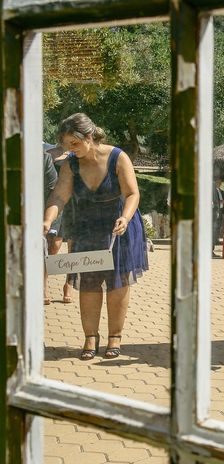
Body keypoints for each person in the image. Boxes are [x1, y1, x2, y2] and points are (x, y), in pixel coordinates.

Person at [43, 113, 148, 360]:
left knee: (118, 283)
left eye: (74, 144)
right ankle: (90, 336)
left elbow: (133, 193)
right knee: (88, 283)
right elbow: (59, 196)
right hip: (86, 226)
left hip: (117, 227)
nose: (70, 150)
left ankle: (115, 336)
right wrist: (47, 220)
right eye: (67, 145)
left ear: (89, 137)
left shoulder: (118, 157)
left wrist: (125, 216)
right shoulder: (71, 164)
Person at [45, 143, 75, 304]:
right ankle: (44, 285)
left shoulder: (77, 154)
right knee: (54, 246)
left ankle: (68, 285)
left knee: (73, 247)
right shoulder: (49, 154)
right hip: (56, 204)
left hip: (75, 205)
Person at [43, 149, 58, 306]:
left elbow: (55, 190)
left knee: (49, 249)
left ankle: (43, 286)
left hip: (43, 211)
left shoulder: (44, 159)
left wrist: (48, 220)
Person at [211, 179, 224, 257]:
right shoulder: (212, 191)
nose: (219, 183)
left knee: (215, 233)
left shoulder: (220, 191)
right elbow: (214, 203)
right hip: (213, 214)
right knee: (212, 233)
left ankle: (212, 250)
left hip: (219, 214)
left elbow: (220, 202)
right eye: (217, 182)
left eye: (220, 182)